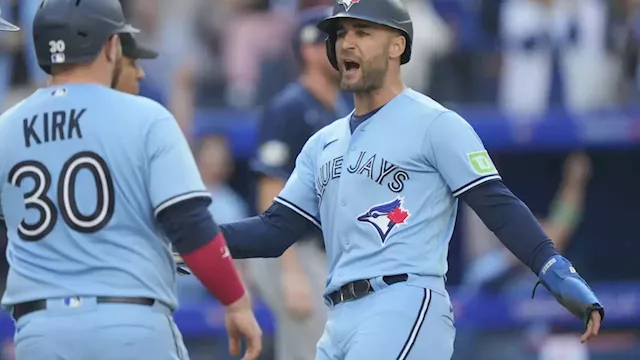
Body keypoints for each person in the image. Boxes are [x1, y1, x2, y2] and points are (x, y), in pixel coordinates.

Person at [217, 0, 604, 359]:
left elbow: (498, 206)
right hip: (338, 317)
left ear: (396, 46)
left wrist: (555, 269)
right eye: (339, 34)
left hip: (402, 305)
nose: (346, 43)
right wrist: (194, 237)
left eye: (362, 32)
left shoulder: (436, 123)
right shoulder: (324, 142)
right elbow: (274, 230)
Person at [0, 0, 261, 359]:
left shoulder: (7, 128)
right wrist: (236, 301)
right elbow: (190, 226)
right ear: (111, 45)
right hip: (129, 322)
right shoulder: (146, 117)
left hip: (41, 331)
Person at [247, 6, 351, 360]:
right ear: (309, 48)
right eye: (335, 40)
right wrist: (289, 272)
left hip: (325, 252)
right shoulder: (289, 107)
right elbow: (269, 189)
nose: (345, 48)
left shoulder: (338, 109)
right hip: (293, 250)